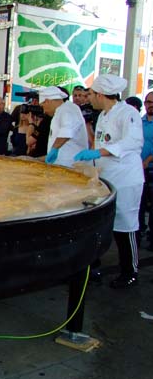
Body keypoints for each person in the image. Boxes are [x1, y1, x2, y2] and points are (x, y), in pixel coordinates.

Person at [74, 74, 144, 289]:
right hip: (107, 176)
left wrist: (99, 151)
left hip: (126, 178)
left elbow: (132, 142)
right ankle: (94, 264)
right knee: (102, 222)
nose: (88, 98)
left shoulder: (128, 113)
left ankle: (130, 271)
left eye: (90, 94)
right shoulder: (103, 114)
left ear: (101, 94)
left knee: (125, 225)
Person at [39, 86, 88, 167]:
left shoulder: (68, 109)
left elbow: (67, 132)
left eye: (42, 106)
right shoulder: (59, 111)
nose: (44, 111)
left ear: (47, 101)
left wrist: (54, 149)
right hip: (60, 163)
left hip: (71, 165)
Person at [139, 91, 153, 250]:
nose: (150, 105)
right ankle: (140, 230)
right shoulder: (139, 121)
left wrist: (148, 160)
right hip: (139, 170)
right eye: (148, 102)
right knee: (140, 203)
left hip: (150, 169)